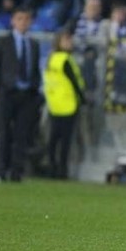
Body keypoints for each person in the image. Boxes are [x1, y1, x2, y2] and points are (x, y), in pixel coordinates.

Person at [0, 7, 41, 182]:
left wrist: (34, 88)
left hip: (26, 94)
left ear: (31, 22)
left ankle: (16, 171)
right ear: (13, 21)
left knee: (21, 134)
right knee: (2, 132)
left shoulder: (33, 45)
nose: (23, 22)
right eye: (19, 19)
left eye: (26, 19)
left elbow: (34, 69)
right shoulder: (3, 42)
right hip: (7, 92)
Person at [43, 31, 86, 179]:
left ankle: (51, 167)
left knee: (53, 139)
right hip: (68, 104)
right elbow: (74, 82)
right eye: (67, 41)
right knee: (65, 140)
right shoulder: (65, 60)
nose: (70, 43)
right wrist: (83, 98)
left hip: (54, 104)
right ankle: (62, 170)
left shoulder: (51, 59)